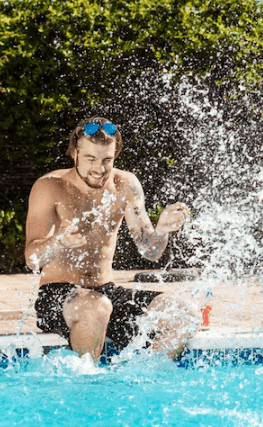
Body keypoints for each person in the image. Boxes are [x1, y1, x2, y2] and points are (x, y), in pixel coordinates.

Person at [24, 117, 192, 359]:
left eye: (107, 160)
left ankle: (147, 378)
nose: (99, 169)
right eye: (90, 159)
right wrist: (58, 241)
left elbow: (150, 251)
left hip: (106, 292)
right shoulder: (50, 187)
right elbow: (32, 259)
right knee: (96, 307)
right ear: (75, 153)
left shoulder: (125, 184)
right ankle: (87, 388)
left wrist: (162, 230)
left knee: (184, 313)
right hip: (57, 295)